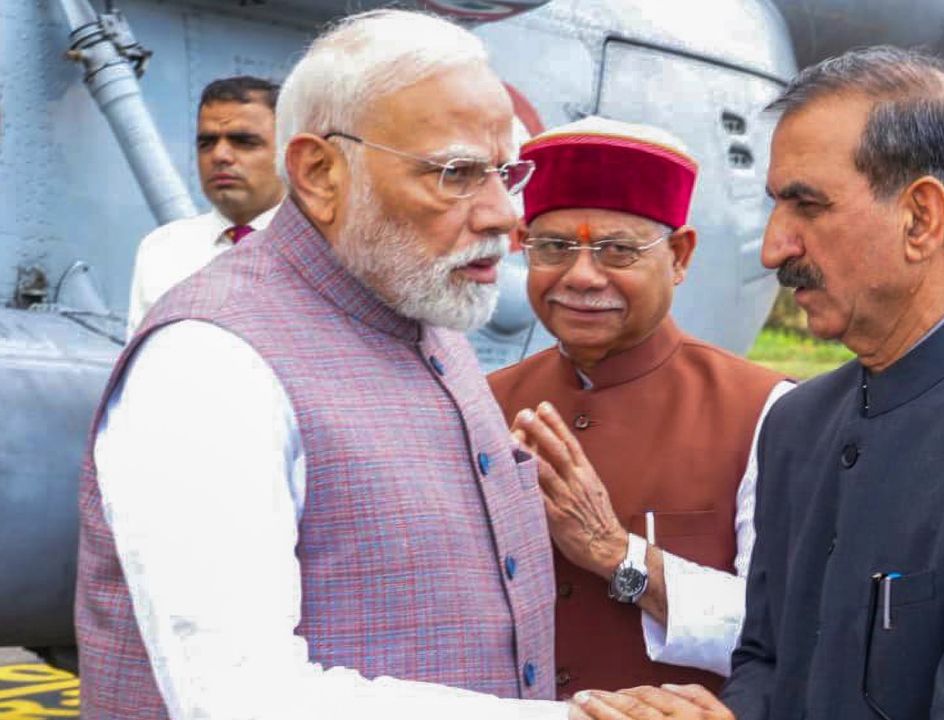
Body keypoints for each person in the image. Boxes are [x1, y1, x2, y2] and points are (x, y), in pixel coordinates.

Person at [571, 46, 944, 720]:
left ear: (920, 219)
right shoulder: (797, 423)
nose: (773, 248)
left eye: (806, 206)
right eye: (776, 207)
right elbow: (767, 660)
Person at [77, 10, 566, 719]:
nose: (502, 214)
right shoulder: (208, 363)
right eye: (458, 173)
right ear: (319, 172)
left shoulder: (422, 309)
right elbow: (243, 698)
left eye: (507, 173)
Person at [488, 117, 791, 698]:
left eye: (618, 251)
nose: (580, 276)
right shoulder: (481, 403)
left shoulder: (766, 413)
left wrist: (614, 553)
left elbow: (782, 629)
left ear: (679, 256)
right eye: (553, 247)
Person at [127, 75, 286, 335]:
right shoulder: (161, 250)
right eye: (207, 143)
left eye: (243, 142)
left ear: (288, 152)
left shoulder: (328, 251)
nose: (220, 156)